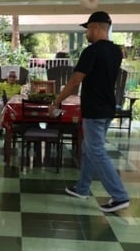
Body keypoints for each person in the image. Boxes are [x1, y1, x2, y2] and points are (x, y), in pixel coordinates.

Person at [50, 11, 130, 213]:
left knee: (95, 150)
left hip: (94, 109)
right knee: (88, 147)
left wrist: (57, 101)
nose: (86, 34)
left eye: (88, 29)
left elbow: (75, 80)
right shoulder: (116, 51)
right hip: (107, 107)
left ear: (95, 27)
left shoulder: (92, 51)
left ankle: (119, 196)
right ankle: (82, 187)